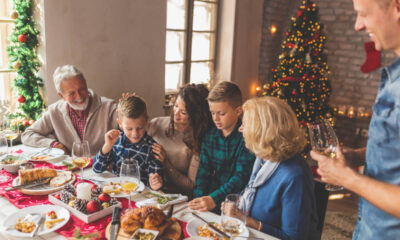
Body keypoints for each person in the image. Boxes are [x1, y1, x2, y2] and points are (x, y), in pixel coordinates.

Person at [310, 0, 400, 238]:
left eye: (363, 14)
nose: (358, 25)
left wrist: (347, 178)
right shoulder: (394, 74)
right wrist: (358, 155)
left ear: (396, 7)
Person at [224, 97, 319, 240]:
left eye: (246, 124)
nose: (240, 129)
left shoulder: (294, 176)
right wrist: (237, 207)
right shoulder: (263, 158)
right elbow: (254, 196)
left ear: (263, 131)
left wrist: (250, 222)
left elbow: (294, 238)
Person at [188, 81, 255, 212]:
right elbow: (203, 173)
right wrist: (199, 199)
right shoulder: (210, 136)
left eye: (221, 114)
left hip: (237, 204)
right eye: (212, 113)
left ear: (238, 111)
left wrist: (213, 199)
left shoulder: (246, 139)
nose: (216, 118)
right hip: (210, 200)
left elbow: (240, 177)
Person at [21, 65, 118, 155]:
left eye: (82, 89)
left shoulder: (110, 107)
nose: (79, 96)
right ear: (61, 96)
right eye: (72, 93)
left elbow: (130, 130)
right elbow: (27, 135)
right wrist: (53, 144)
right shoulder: (54, 111)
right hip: (70, 169)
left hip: (102, 170)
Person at [147, 84, 213, 196]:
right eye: (176, 106)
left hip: (175, 198)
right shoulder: (156, 124)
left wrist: (166, 163)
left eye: (183, 112)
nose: (176, 113)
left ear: (195, 115)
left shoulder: (198, 140)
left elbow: (191, 186)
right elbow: (132, 138)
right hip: (148, 190)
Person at [93, 95, 163, 190]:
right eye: (129, 129)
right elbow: (97, 169)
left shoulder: (153, 149)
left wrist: (155, 183)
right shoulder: (116, 141)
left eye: (139, 128)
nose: (135, 133)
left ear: (146, 121)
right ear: (120, 123)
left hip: (139, 196)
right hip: (117, 192)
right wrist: (107, 146)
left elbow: (153, 185)